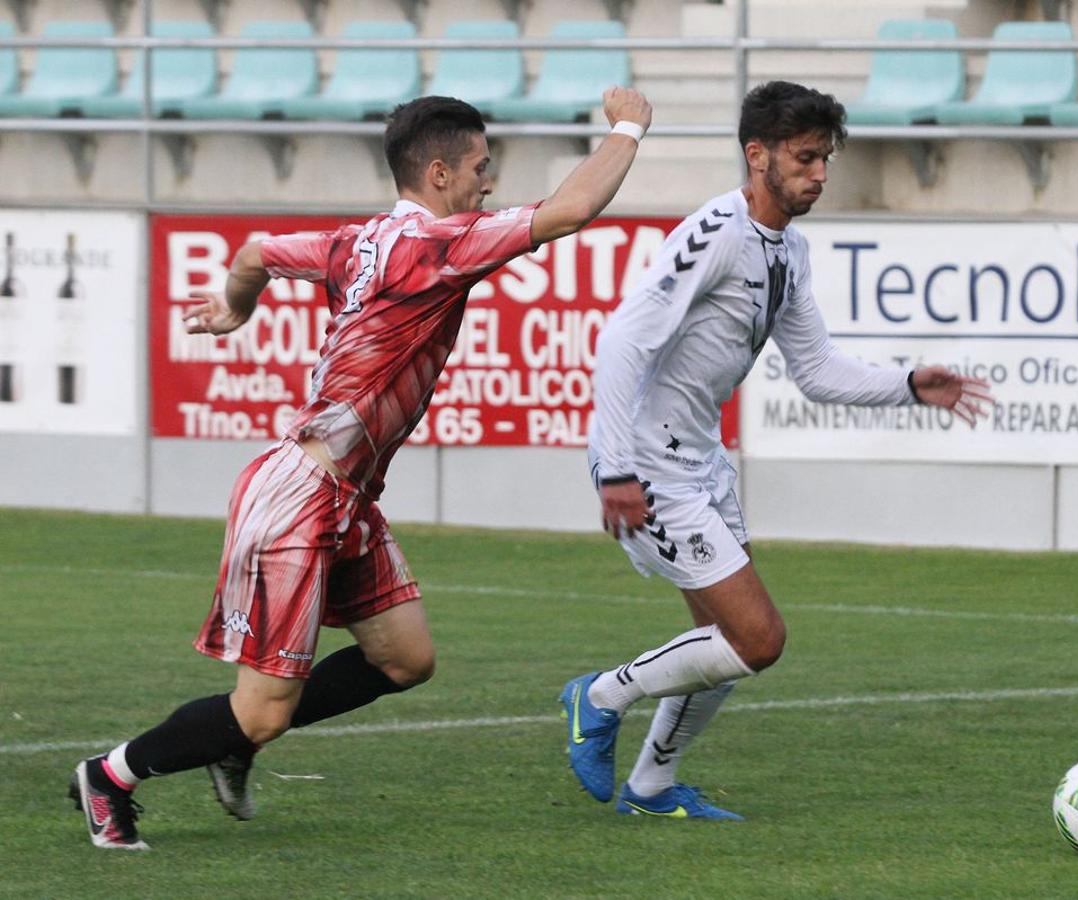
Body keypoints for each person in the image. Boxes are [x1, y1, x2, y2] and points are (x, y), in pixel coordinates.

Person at [70, 87, 653, 850]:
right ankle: (111, 776)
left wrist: (235, 307)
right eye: (481, 167)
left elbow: (252, 256)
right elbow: (572, 210)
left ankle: (234, 745)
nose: (489, 183)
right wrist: (629, 126)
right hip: (300, 494)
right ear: (439, 173)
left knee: (404, 659)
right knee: (261, 709)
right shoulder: (431, 248)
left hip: (344, 494)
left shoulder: (360, 242)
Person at [561, 81, 992, 820]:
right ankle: (598, 696)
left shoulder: (788, 250)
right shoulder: (716, 232)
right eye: (804, 158)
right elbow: (624, 340)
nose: (818, 174)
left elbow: (817, 371)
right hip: (651, 463)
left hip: (698, 461)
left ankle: (652, 788)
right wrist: (619, 466)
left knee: (720, 641)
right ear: (756, 154)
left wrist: (910, 386)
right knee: (758, 639)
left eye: (824, 158)